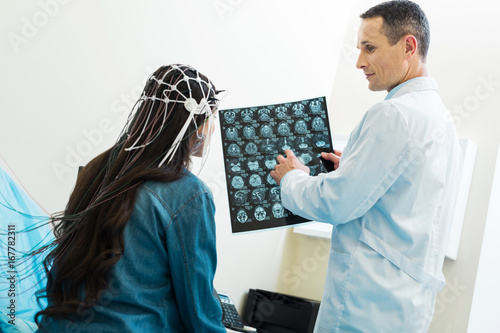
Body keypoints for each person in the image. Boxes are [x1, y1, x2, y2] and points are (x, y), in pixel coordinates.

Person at [271, 1, 462, 332]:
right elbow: (409, 199)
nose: (359, 62)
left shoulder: (393, 115)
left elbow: (336, 203)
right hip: (404, 308)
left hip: (363, 307)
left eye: (369, 48)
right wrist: (355, 168)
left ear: (408, 46)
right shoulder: (441, 122)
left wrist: (293, 179)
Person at [30, 64, 227, 332]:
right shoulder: (189, 194)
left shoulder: (95, 169)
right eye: (211, 119)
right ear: (198, 125)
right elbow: (199, 310)